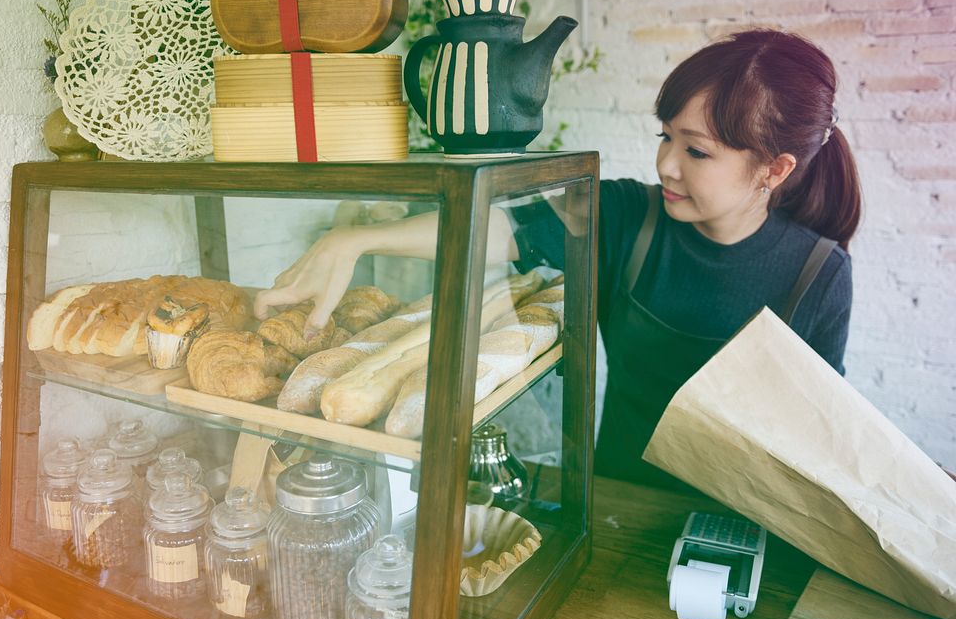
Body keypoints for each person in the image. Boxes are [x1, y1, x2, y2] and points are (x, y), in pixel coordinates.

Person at [254, 29, 861, 490]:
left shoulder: (818, 273)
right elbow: (499, 229)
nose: (668, 165)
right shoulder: (629, 217)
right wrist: (355, 241)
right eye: (665, 137)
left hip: (746, 530)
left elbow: (813, 441)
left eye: (697, 151)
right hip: (617, 496)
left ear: (774, 170)